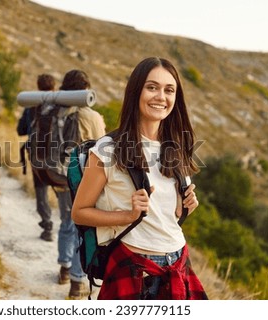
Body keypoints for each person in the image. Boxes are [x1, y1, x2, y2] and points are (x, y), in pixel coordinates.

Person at [71, 57, 207, 300]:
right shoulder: (108, 149)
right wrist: (128, 215)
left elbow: (168, 217)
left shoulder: (175, 148)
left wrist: (184, 207)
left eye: (169, 90)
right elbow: (79, 212)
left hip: (178, 264)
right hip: (134, 269)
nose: (161, 97)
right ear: (136, 91)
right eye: (152, 87)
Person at [55, 69, 106, 299]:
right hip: (81, 178)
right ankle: (76, 281)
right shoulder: (91, 116)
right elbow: (104, 149)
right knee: (81, 228)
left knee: (66, 221)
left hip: (58, 174)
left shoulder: (56, 109)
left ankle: (64, 267)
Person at [16, 74, 56, 242]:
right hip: (58, 154)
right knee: (62, 189)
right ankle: (69, 224)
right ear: (54, 88)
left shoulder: (31, 106)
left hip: (37, 154)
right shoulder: (61, 105)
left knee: (41, 191)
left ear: (38, 87)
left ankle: (47, 226)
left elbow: (21, 130)